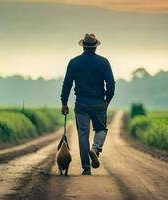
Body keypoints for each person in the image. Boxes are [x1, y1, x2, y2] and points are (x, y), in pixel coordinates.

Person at [60, 33, 115, 175]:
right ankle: (95, 149)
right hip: (98, 103)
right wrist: (107, 101)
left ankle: (86, 168)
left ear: (83, 46)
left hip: (81, 104)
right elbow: (110, 84)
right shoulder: (104, 62)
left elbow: (67, 84)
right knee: (101, 129)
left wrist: (64, 103)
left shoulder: (74, 62)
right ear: (95, 47)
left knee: (83, 135)